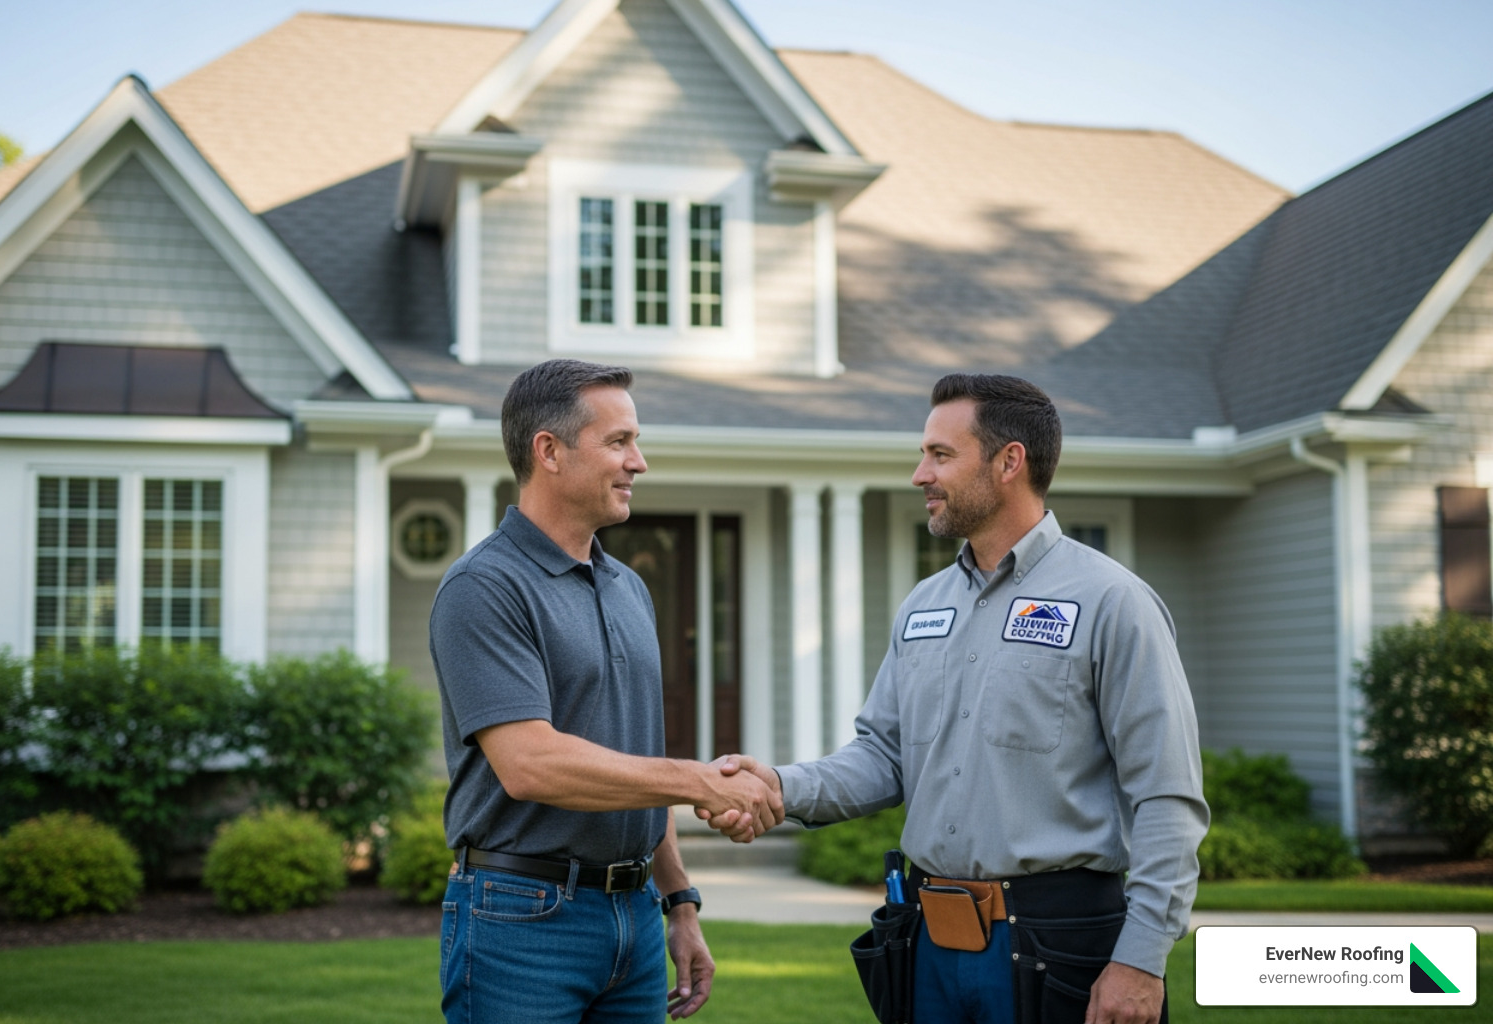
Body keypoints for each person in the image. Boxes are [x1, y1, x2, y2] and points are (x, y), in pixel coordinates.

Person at [707, 373, 1207, 1024]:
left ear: (1008, 462)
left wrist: (1141, 959)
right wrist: (777, 784)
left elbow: (1166, 796)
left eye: (940, 455)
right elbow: (884, 758)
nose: (920, 475)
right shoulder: (923, 605)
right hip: (928, 943)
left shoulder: (1113, 602)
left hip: (1058, 943)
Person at [429, 359, 782, 1024]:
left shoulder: (628, 587)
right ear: (549, 451)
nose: (638, 462)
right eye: (618, 442)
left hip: (636, 919)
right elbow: (529, 764)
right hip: (522, 920)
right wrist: (701, 781)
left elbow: (635, 760)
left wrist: (679, 902)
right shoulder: (484, 588)